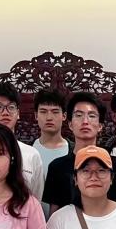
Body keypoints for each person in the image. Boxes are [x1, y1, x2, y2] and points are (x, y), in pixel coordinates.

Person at [43, 91, 116, 213]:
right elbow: (54, 213)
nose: (85, 121)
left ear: (100, 125)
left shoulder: (115, 164)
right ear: (70, 124)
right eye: (79, 115)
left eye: (92, 116)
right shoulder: (57, 167)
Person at [32, 89, 71, 218]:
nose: (49, 117)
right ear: (36, 115)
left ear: (64, 116)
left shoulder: (74, 151)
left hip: (66, 222)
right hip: (32, 220)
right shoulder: (27, 151)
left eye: (55, 112)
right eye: (43, 112)